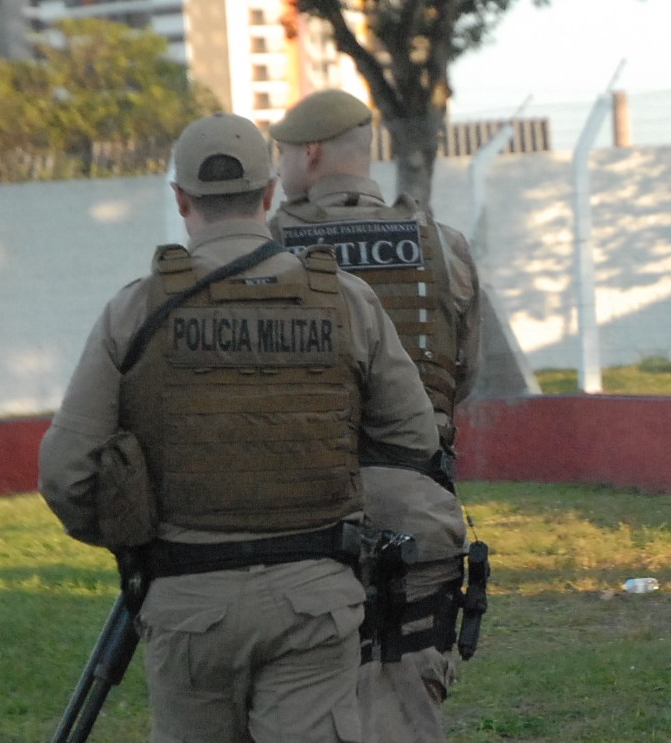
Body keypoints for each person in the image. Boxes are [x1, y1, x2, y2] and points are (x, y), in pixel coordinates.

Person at [39, 112, 440, 743]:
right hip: (315, 599)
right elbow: (416, 438)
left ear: (180, 200)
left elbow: (66, 474)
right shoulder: (346, 301)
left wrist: (140, 543)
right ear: (269, 193)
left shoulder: (135, 309)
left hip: (187, 600)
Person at [268, 89, 483, 743]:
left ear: (307, 154)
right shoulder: (440, 246)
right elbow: (462, 378)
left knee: (303, 706)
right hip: (419, 506)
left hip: (299, 510)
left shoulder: (267, 250)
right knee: (409, 710)